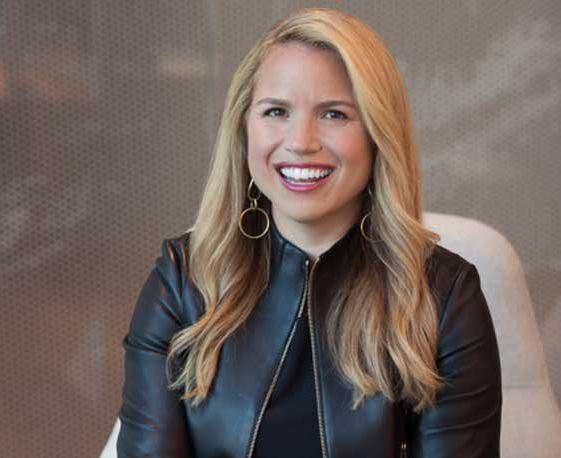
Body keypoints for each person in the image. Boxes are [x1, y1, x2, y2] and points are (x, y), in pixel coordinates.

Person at [117, 7, 502, 458]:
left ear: (378, 134)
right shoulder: (182, 280)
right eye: (276, 111)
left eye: (334, 114)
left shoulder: (445, 295)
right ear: (244, 128)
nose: (301, 141)